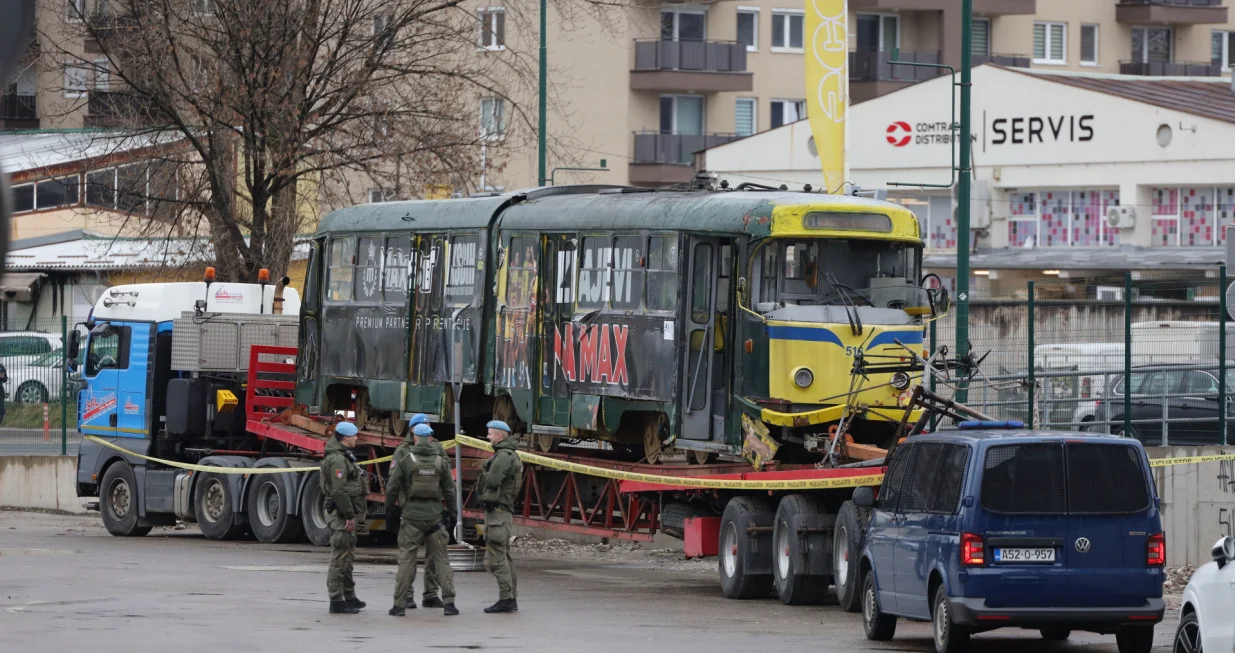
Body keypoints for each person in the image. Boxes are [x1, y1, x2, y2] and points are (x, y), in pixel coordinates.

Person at [385, 423, 459, 617]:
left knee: (407, 561)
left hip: (411, 517)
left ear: (415, 437)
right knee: (441, 560)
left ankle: (400, 604)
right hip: (435, 517)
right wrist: (453, 513)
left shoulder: (406, 459)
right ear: (431, 438)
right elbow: (450, 490)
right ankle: (449, 603)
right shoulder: (440, 460)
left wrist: (390, 513)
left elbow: (392, 487)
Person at [321, 421, 368, 614]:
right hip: (341, 516)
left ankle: (349, 596)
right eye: (355, 435)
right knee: (340, 557)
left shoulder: (344, 457)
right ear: (345, 438)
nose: (357, 438)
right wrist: (348, 516)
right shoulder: (338, 460)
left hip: (345, 514)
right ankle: (336, 600)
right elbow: (339, 491)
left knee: (347, 556)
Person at [479, 420, 523, 614]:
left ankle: (506, 599)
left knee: (497, 557)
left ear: (499, 436)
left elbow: (493, 480)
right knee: (504, 556)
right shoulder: (509, 455)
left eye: (490, 434)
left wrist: (484, 472)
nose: (488, 437)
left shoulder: (503, 456)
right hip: (501, 512)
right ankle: (510, 597)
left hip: (497, 513)